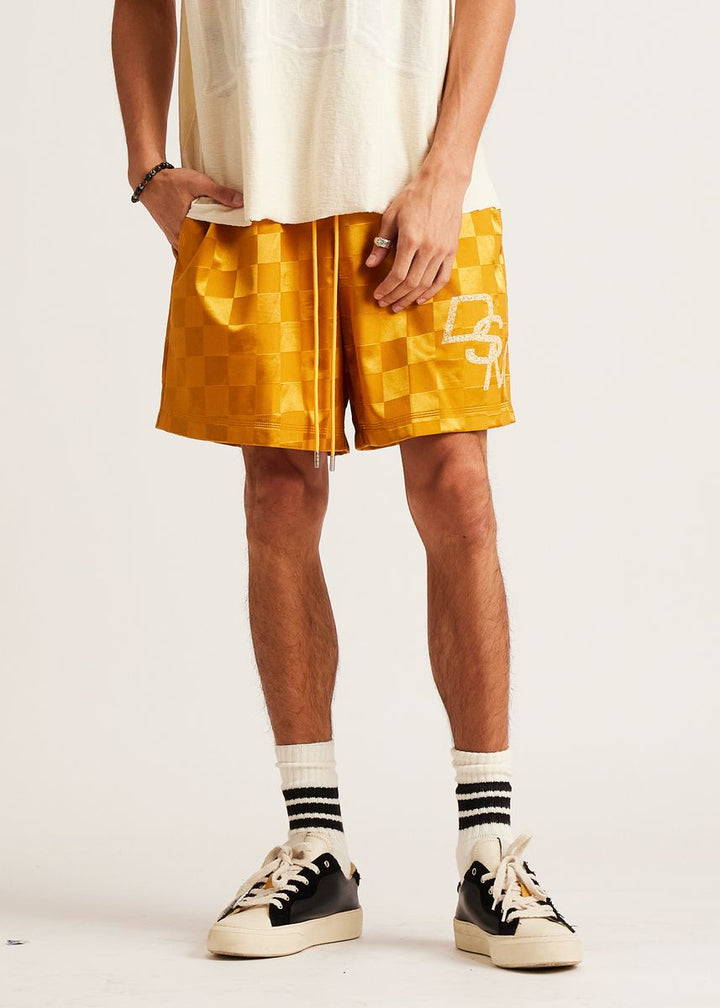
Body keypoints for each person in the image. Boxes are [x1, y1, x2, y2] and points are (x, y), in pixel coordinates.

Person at [112, 0, 581, 969]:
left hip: (419, 184)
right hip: (248, 192)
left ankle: (489, 853)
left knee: (458, 491)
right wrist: (146, 166)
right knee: (277, 496)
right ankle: (316, 848)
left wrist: (449, 167)